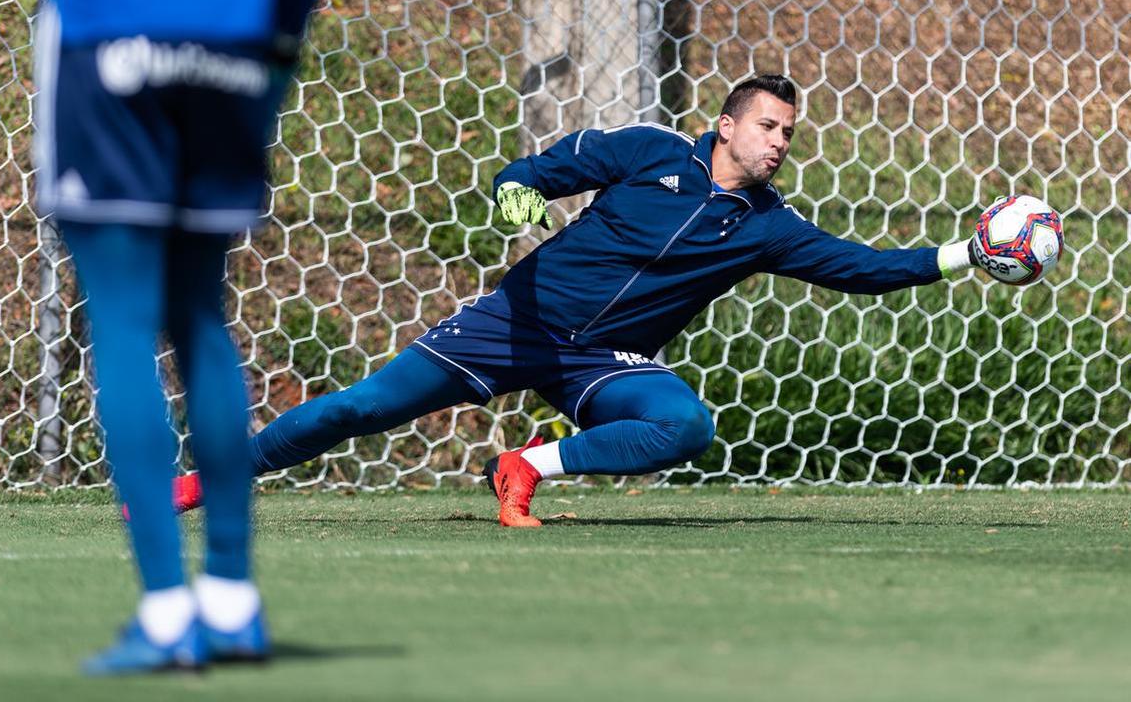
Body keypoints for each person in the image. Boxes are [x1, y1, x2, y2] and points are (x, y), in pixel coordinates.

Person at [170, 75, 983, 528]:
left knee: (684, 425)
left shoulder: (767, 227)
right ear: (724, 124)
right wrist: (516, 192)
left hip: (602, 362)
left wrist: (966, 255)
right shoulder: (647, 151)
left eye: (787, 136)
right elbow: (534, 169)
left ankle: (524, 465)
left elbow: (866, 267)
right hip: (511, 326)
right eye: (767, 126)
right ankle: (206, 481)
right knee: (359, 408)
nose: (778, 143)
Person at [9, 0, 336, 674]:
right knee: (199, 317)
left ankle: (165, 615)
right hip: (228, 45)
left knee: (121, 325)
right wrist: (278, 31)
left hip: (108, 36)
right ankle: (232, 601)